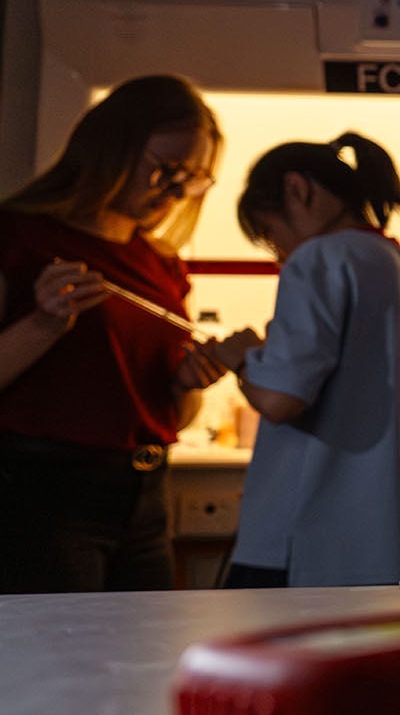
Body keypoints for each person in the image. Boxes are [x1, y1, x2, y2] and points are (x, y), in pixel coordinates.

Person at [208, 132, 400, 588]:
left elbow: (280, 401)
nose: (281, 255)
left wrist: (244, 359)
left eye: (272, 236)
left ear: (297, 189)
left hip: (298, 553)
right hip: (391, 560)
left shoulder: (319, 260)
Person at [0, 75, 229, 592]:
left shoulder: (161, 266)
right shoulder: (20, 237)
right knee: (61, 662)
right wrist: (42, 323)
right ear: (109, 150)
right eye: (166, 171)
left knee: (140, 659)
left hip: (145, 493)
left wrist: (189, 383)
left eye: (193, 180)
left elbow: (166, 409)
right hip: (43, 493)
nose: (174, 192)